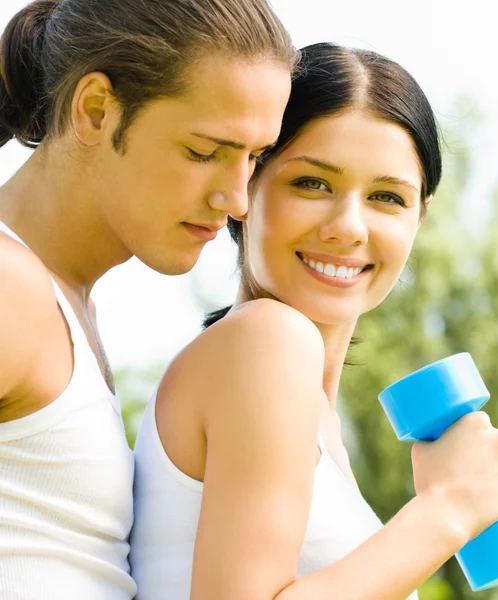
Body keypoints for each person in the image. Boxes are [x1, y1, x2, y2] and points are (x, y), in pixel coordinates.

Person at [130, 42, 498, 600]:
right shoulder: (266, 341)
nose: (348, 227)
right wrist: (447, 510)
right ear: (246, 185)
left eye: (387, 197)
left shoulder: (315, 420)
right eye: (312, 183)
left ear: (420, 217)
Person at [0, 0, 294, 597]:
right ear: (96, 110)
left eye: (254, 158)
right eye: (204, 151)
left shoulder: (64, 305)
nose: (238, 200)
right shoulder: (10, 288)